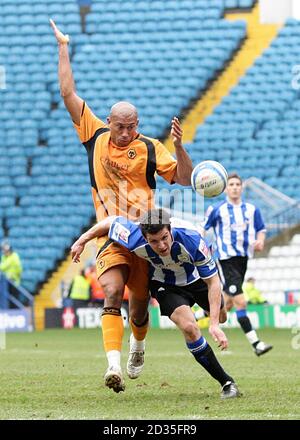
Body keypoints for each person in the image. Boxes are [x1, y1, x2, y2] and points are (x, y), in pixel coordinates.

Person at [50, 20, 193, 393]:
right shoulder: (94, 134)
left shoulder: (149, 147)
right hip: (112, 233)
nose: (125, 133)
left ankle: (138, 345)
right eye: (119, 127)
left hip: (146, 236)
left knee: (141, 308)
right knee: (112, 292)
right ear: (109, 122)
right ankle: (112, 367)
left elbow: (182, 177)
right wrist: (64, 47)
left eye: (131, 127)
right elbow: (67, 93)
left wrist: (179, 146)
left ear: (138, 125)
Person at [71, 208, 241, 399]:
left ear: (170, 229)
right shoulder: (133, 236)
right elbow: (110, 222)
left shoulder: (192, 240)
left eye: (164, 237)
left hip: (197, 280)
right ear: (144, 237)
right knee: (189, 328)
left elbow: (213, 282)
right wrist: (81, 240)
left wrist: (215, 324)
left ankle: (209, 316)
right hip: (166, 285)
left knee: (223, 316)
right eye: (153, 241)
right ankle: (227, 383)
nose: (161, 245)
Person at [204, 173, 273, 356]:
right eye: (231, 184)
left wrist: (260, 241)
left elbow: (261, 229)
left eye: (237, 184)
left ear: (241, 187)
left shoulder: (252, 209)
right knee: (240, 301)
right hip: (225, 259)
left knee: (227, 303)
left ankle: (198, 317)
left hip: (243, 259)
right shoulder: (217, 209)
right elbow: (204, 230)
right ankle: (256, 344)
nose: (234, 187)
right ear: (225, 188)